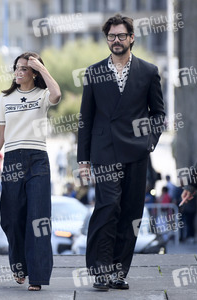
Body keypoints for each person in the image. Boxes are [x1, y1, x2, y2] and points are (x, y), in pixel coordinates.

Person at [77, 14, 165, 290]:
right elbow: (86, 119)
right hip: (104, 152)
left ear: (131, 37)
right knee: (107, 207)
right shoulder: (93, 72)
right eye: (111, 36)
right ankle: (100, 271)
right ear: (107, 39)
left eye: (121, 36)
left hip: (137, 152)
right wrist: (83, 160)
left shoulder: (148, 71)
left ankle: (118, 272)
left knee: (131, 212)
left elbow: (158, 114)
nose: (116, 41)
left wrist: (149, 141)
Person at [0, 51, 61, 291]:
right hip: (12, 159)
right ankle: (19, 266)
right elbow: (0, 134)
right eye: (17, 67)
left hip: (38, 158)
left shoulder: (42, 94)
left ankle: (36, 276)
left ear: (34, 72)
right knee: (10, 217)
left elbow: (57, 94)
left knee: (38, 217)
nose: (18, 71)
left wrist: (41, 67)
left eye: (24, 68)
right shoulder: (5, 98)